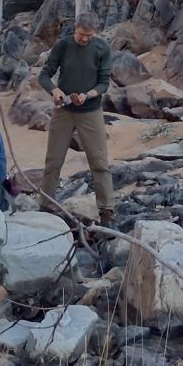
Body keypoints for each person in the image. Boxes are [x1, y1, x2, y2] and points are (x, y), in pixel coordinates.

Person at [37, 13, 114, 224]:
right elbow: (44, 75)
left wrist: (87, 95)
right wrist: (54, 90)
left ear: (95, 32)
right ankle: (45, 205)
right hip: (64, 110)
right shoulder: (63, 45)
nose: (85, 39)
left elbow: (104, 83)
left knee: (99, 162)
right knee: (53, 161)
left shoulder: (102, 49)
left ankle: (107, 211)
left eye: (89, 35)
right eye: (81, 35)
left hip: (90, 111)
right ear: (75, 29)